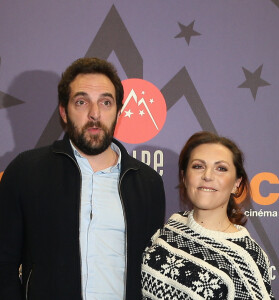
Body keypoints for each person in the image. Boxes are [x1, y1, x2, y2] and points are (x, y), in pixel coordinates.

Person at [0, 57, 165, 300]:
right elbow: (3, 264)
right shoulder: (26, 171)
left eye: (106, 102)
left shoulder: (147, 183)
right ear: (64, 112)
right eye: (81, 102)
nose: (94, 114)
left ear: (119, 112)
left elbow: (150, 272)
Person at [142, 131, 275, 299]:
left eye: (221, 168)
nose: (207, 176)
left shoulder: (247, 259)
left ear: (236, 183)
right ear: (184, 177)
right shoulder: (172, 225)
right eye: (198, 166)